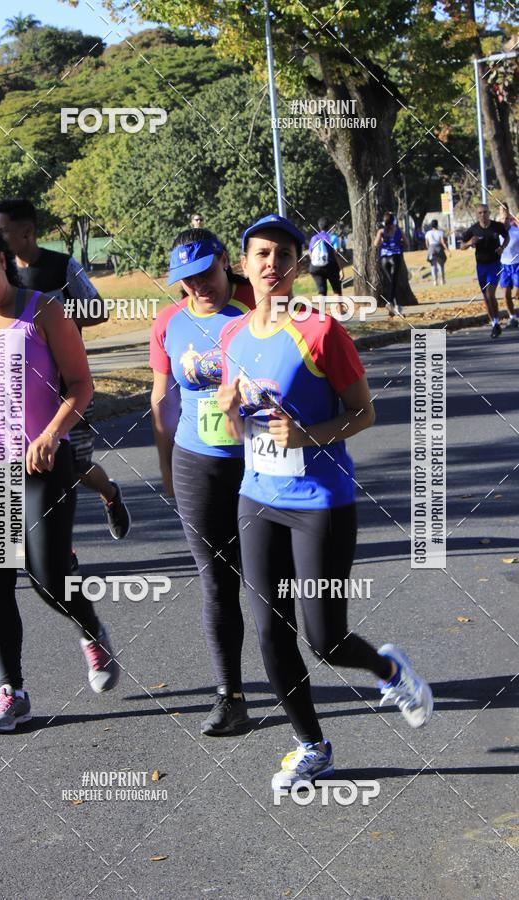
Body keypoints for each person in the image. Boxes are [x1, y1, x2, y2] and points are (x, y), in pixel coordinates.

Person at [217, 214, 433, 790]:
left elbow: (365, 413)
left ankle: (388, 668)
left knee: (326, 637)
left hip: (320, 502)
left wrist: (309, 435)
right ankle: (312, 745)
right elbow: (235, 419)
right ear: (245, 264)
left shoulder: (319, 330)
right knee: (269, 631)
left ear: (296, 266)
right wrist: (232, 412)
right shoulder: (233, 334)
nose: (271, 264)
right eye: (260, 254)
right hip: (257, 497)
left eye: (283, 256)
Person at [0, 226, 120, 733]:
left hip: (37, 467)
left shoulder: (43, 311)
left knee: (48, 577)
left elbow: (80, 385)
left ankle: (91, 628)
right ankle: (12, 692)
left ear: (3, 261)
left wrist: (53, 434)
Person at [149, 227, 255, 735]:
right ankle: (229, 696)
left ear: (226, 264)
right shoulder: (169, 321)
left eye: (207, 274)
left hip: (259, 464)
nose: (199, 288)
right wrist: (167, 465)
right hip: (197, 463)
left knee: (266, 582)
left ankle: (293, 683)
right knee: (217, 584)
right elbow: (163, 397)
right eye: (187, 281)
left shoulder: (257, 315)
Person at [0, 199, 130, 568]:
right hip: (16, 386)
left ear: (27, 232)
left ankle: (110, 494)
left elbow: (97, 310)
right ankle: (56, 551)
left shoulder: (60, 265)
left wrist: (52, 318)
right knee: (16, 466)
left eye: (3, 230)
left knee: (74, 465)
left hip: (65, 385)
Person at [460, 204, 508, 339]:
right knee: (486, 298)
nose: (483, 215)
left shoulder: (497, 226)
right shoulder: (473, 229)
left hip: (495, 264)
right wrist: (469, 243)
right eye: (480, 213)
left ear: (489, 213)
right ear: (477, 215)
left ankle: (497, 321)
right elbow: (462, 246)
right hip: (481, 266)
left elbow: (507, 237)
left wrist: (502, 247)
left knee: (490, 293)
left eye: (485, 212)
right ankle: (494, 324)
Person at [373, 212, 407, 317]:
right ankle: (392, 304)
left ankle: (392, 308)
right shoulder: (398, 230)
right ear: (393, 221)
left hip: (384, 259)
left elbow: (375, 244)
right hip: (395, 257)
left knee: (391, 282)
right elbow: (406, 243)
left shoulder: (381, 231)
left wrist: (383, 242)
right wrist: (399, 243)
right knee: (394, 282)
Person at [497, 203, 519, 329]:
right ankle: (512, 318)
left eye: (506, 219)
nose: (504, 221)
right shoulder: (496, 233)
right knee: (506, 294)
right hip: (503, 267)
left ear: (509, 219)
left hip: (517, 265)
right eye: (502, 219)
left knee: (517, 294)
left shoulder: (516, 232)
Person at [308, 217, 343, 298]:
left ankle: (321, 310)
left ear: (319, 227)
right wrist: (341, 269)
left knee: (322, 291)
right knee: (336, 289)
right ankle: (340, 310)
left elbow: (310, 253)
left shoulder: (314, 238)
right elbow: (336, 254)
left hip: (315, 267)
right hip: (330, 266)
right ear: (329, 227)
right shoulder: (333, 237)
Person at [424, 219, 449, 286]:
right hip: (439, 248)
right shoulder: (440, 232)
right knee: (441, 265)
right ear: (437, 225)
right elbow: (443, 243)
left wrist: (429, 249)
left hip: (431, 248)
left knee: (433, 266)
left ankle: (435, 281)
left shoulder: (428, 233)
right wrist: (447, 250)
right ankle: (442, 280)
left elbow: (427, 243)